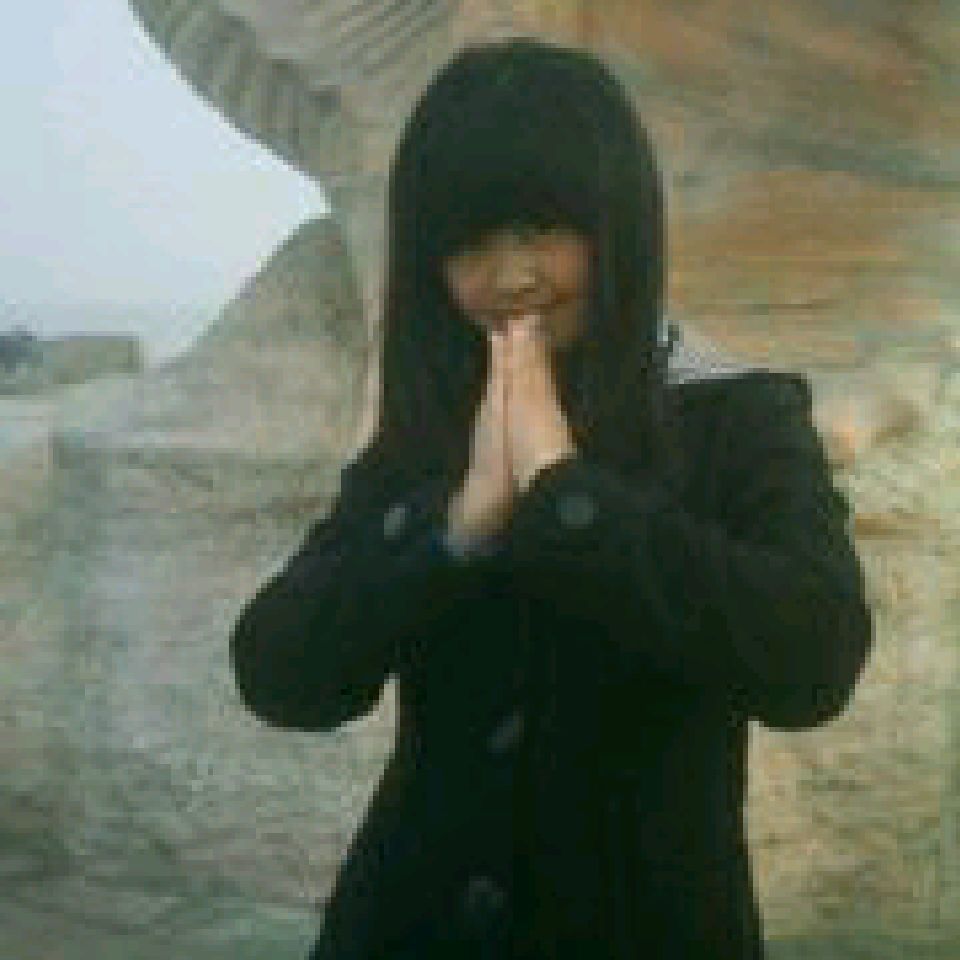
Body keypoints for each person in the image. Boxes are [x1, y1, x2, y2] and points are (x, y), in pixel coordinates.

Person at [229, 37, 874, 960]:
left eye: (538, 230)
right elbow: (280, 674)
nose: (508, 278)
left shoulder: (739, 411)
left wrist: (569, 496)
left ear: (620, 224)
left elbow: (813, 662)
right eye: (468, 244)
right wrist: (452, 532)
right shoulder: (433, 431)